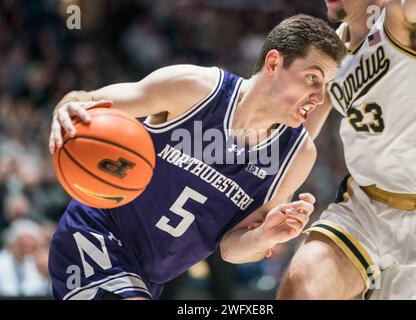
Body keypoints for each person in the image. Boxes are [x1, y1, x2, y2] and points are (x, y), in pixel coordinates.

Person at [47, 14, 346, 300]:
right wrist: (67, 107)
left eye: (326, 86)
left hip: (150, 276)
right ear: (273, 62)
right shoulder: (196, 89)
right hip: (96, 233)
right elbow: (86, 100)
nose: (319, 97)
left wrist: (265, 236)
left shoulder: (297, 155)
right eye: (312, 78)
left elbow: (232, 249)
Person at [278, 0, 416, 300]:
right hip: (364, 208)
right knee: (302, 288)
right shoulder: (332, 51)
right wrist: (269, 208)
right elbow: (297, 141)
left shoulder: (408, 18)